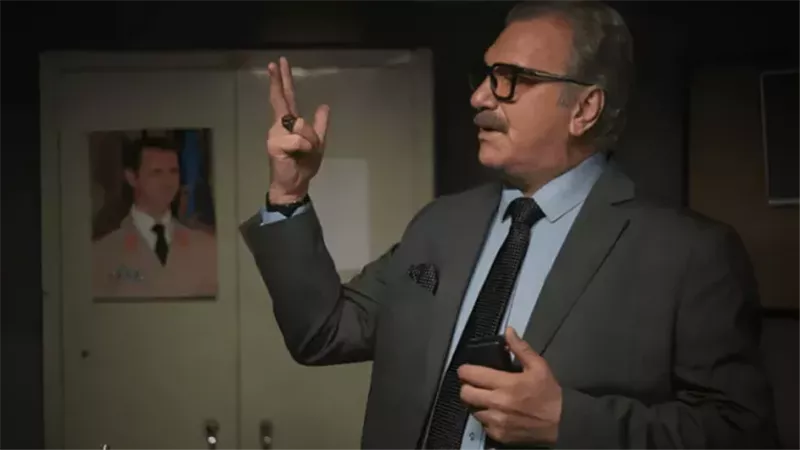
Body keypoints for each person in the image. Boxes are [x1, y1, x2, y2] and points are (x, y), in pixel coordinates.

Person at [239, 0, 779, 448]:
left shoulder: (690, 255)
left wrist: (568, 422)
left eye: (511, 79)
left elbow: (742, 432)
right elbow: (322, 333)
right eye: (486, 75)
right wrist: (289, 194)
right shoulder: (439, 224)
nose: (479, 97)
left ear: (584, 109)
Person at [93, 137, 217, 299]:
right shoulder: (103, 252)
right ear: (132, 178)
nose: (168, 182)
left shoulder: (206, 246)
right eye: (157, 172)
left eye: (173, 171)